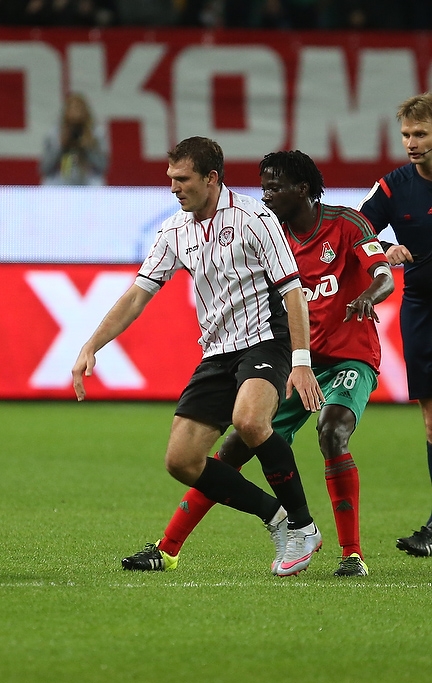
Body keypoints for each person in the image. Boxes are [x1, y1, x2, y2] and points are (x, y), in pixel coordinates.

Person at [122, 150, 393, 577]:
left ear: (302, 189)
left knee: (332, 431)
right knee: (234, 445)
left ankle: (352, 554)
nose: (265, 195)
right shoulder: (268, 231)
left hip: (349, 356)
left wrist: (367, 296)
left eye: (274, 187)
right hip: (295, 361)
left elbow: (384, 273)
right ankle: (168, 547)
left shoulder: (346, 223)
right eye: (263, 187)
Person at [72, 137, 325, 577]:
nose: (173, 187)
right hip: (216, 350)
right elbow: (137, 295)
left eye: (182, 178)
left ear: (211, 178)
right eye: (170, 178)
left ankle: (304, 527)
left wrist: (301, 361)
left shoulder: (255, 218)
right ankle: (278, 517)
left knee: (250, 421)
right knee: (182, 461)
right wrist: (91, 344)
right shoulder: (173, 230)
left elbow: (293, 292)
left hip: (266, 339)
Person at [359, 91, 432, 557]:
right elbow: (357, 230)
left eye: (420, 133)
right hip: (421, 309)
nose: (411, 142)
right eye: (406, 134)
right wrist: (385, 250)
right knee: (431, 421)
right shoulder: (392, 187)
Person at [40, 92, 109, 186]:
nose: (76, 112)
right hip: (61, 182)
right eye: (72, 108)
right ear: (65, 112)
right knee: (47, 184)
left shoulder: (96, 134)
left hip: (88, 181)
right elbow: (44, 168)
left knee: (98, 183)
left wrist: (90, 147)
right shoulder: (54, 134)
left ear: (86, 112)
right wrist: (60, 145)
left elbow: (103, 167)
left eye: (79, 108)